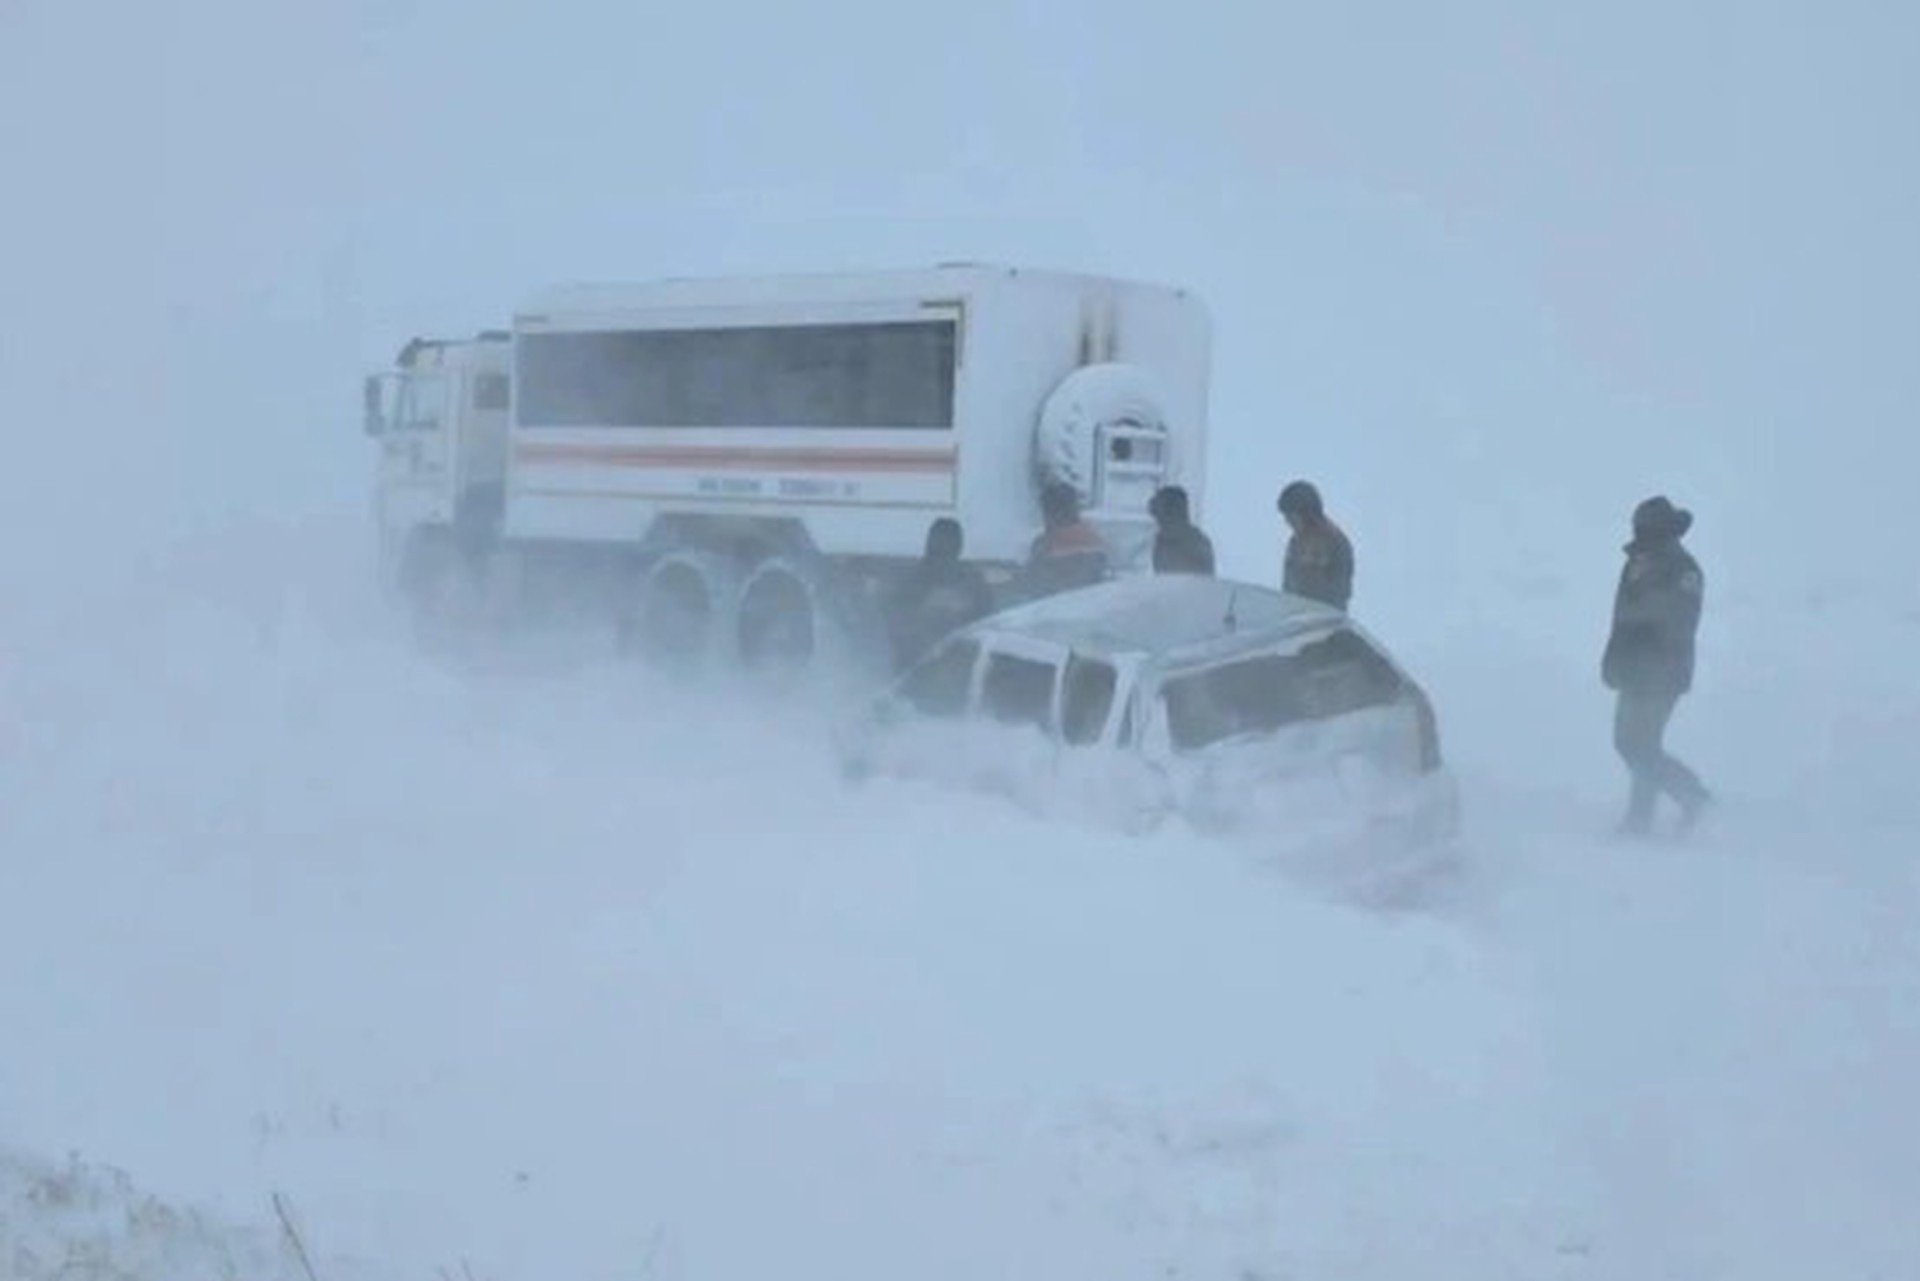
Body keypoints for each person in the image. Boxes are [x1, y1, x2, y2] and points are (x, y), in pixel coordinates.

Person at [1601, 495, 1712, 837]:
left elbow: (1679, 618)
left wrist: (1645, 612)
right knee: (1630, 742)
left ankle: (1692, 797)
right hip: (1633, 671)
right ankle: (1642, 816)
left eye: (1645, 531)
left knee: (1640, 744)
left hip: (1663, 672)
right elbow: (1621, 618)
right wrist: (1613, 660)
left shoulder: (1684, 569)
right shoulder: (1638, 563)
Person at [883, 517, 995, 669]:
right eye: (940, 542)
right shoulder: (914, 579)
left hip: (958, 665)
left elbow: (987, 622)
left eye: (949, 542)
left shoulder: (972, 579)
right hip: (920, 666)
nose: (943, 547)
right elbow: (897, 625)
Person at [1010, 480, 1110, 600]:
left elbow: (1030, 584)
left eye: (1045, 511)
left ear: (1051, 513)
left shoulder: (1048, 548)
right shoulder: (1096, 541)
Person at [1277, 479, 1354, 610]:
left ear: (1307, 514)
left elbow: (1341, 592)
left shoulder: (1335, 541)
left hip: (1323, 622)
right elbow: (1288, 587)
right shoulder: (1295, 542)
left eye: (1291, 516)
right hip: (1297, 620)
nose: (1287, 522)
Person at [1148, 485, 1216, 575]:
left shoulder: (1198, 541)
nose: (1158, 520)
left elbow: (1205, 582)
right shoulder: (1160, 544)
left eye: (1166, 511)